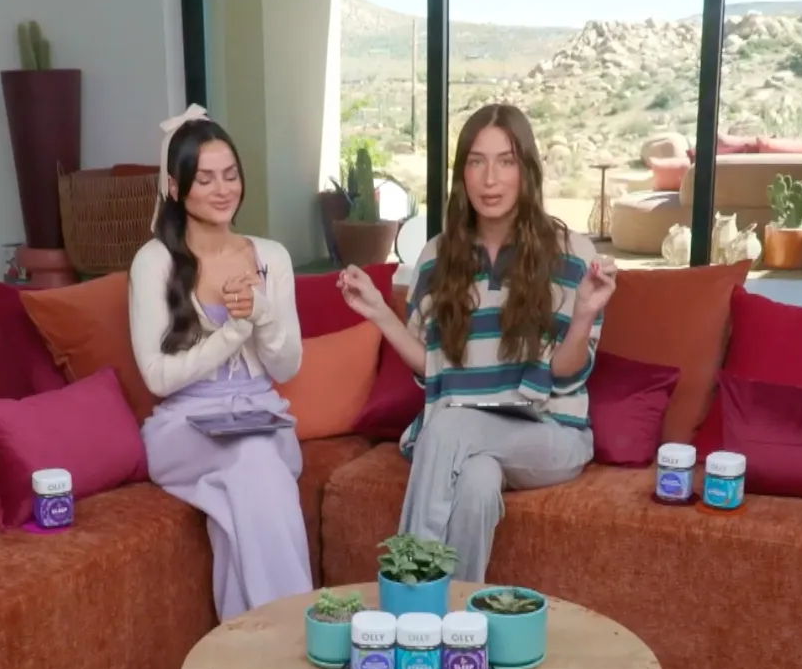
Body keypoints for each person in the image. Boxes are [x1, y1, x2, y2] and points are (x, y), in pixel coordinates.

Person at [337, 103, 617, 583]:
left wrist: (586, 314)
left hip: (550, 436)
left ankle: (410, 598)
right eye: (476, 161)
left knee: (446, 427)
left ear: (526, 170)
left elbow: (568, 372)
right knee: (477, 484)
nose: (490, 178)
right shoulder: (437, 257)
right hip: (470, 440)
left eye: (505, 161)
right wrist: (380, 313)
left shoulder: (572, 254)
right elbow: (431, 369)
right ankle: (456, 630)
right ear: (462, 173)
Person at [129, 105, 311, 621]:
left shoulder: (270, 257)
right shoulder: (155, 262)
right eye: (204, 178)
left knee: (240, 504)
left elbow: (286, 366)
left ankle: (247, 654)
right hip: (184, 430)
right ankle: (295, 633)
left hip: (262, 417)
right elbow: (158, 379)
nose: (222, 189)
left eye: (230, 175)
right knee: (255, 466)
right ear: (174, 186)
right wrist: (234, 331)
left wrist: (263, 312)